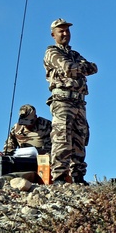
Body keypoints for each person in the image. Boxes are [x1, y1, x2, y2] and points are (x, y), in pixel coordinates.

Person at [43, 18, 98, 184]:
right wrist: (80, 67)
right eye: (61, 31)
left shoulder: (73, 54)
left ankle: (78, 175)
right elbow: (68, 67)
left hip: (79, 102)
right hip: (63, 101)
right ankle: (59, 176)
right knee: (62, 137)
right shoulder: (52, 52)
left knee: (80, 137)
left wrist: (79, 67)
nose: (65, 33)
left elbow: (93, 68)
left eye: (67, 30)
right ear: (53, 34)